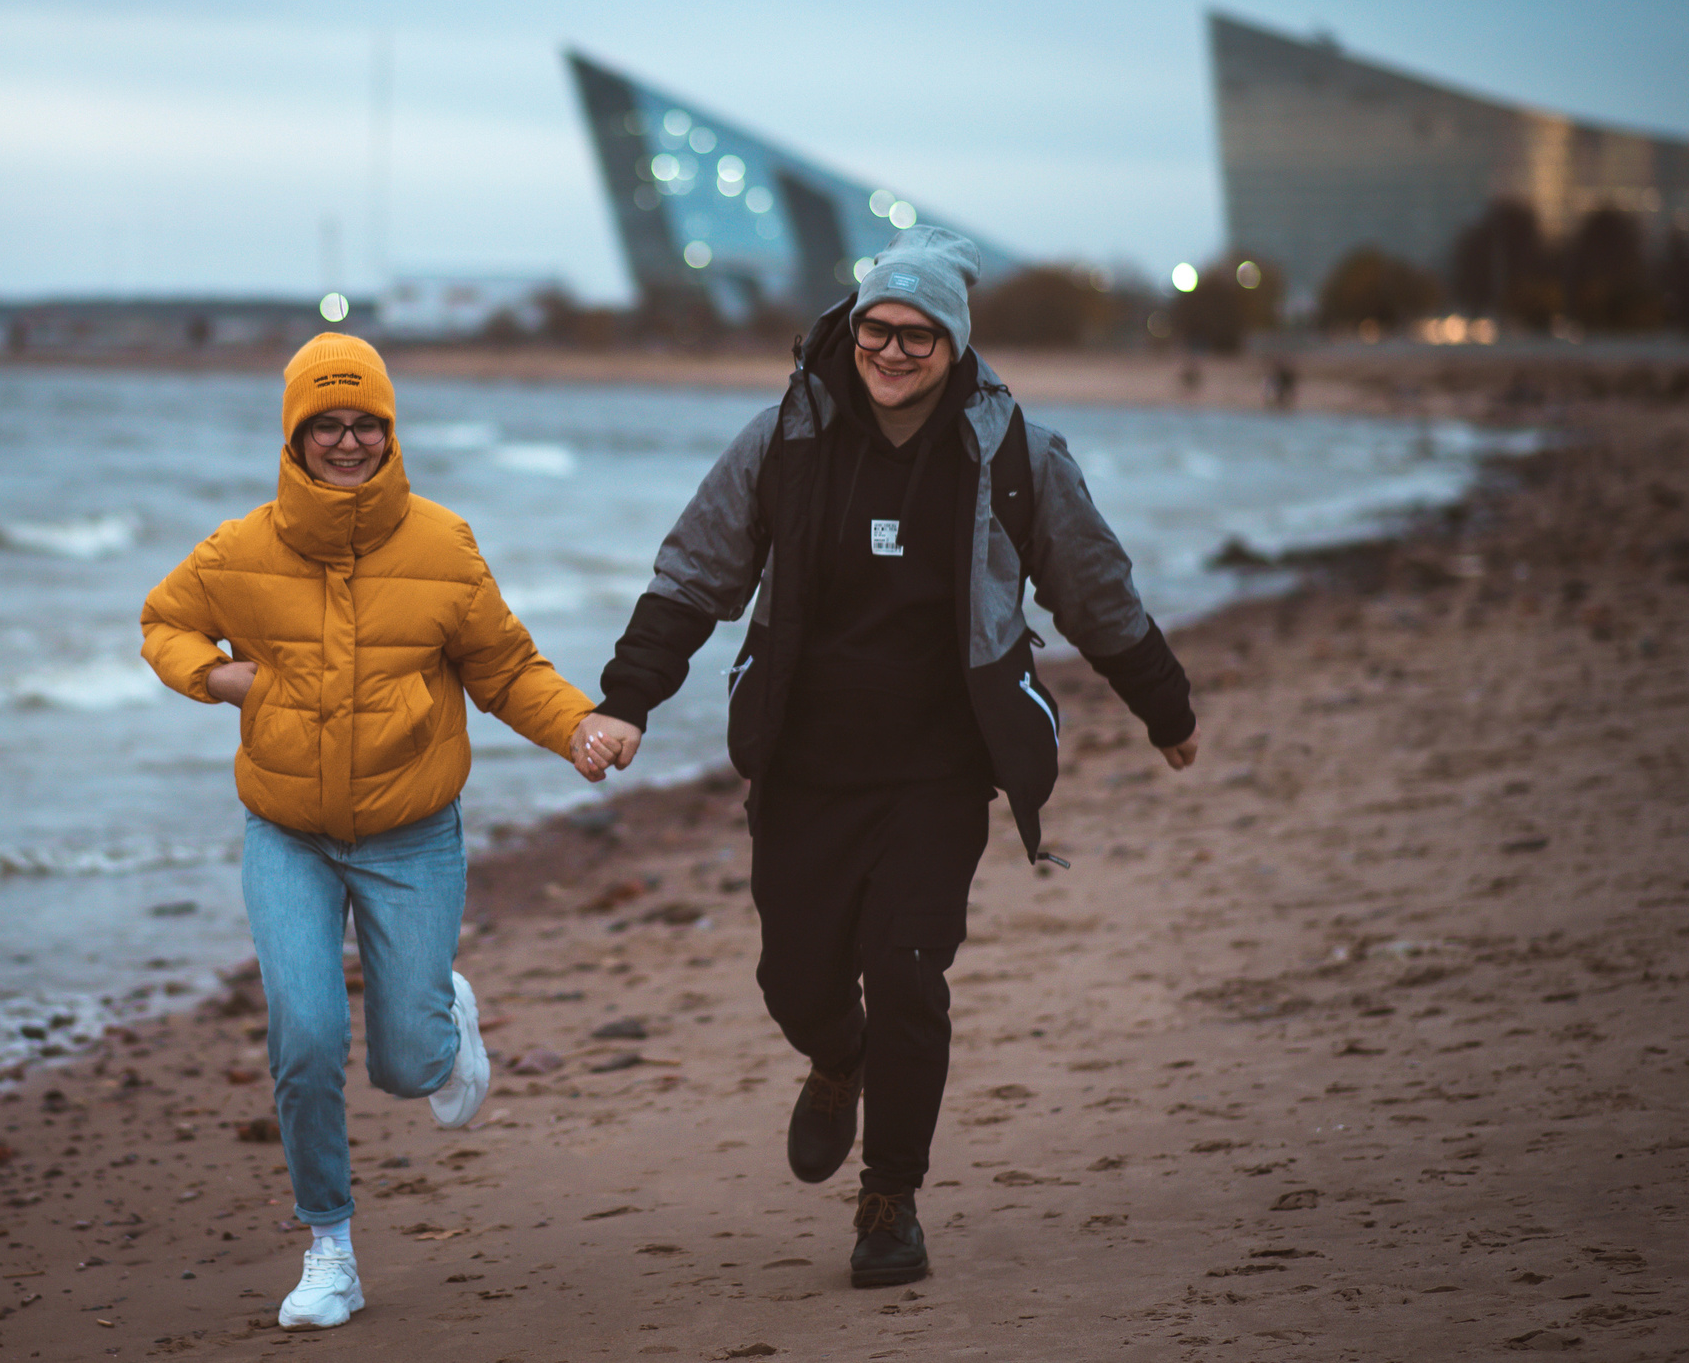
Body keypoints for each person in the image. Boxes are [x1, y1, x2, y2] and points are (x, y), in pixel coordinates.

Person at [579, 229, 1199, 1289]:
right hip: (807, 763)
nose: (895, 348)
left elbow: (1091, 586)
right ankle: (836, 1054)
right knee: (797, 978)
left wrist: (1163, 702)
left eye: (920, 333)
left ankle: (890, 1199)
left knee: (909, 970)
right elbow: (695, 573)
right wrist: (628, 696)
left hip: (938, 769)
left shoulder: (1016, 454)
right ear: (849, 327)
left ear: (955, 345)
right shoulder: (784, 439)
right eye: (878, 326)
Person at [140, 332, 627, 1329]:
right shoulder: (240, 548)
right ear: (296, 436)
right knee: (306, 1034)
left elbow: (504, 668)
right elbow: (163, 619)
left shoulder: (442, 544)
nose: (349, 440)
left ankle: (440, 1013)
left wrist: (575, 722)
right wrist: (220, 675)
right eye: (328, 424)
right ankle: (329, 1246)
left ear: (390, 430)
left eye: (367, 422)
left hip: (412, 830)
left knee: (406, 1062)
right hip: (287, 832)